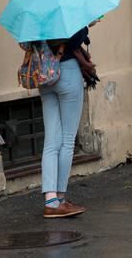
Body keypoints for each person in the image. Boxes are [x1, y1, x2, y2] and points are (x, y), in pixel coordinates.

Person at [40, 18, 100, 218]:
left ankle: (51, 200)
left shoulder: (38, 12)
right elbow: (72, 41)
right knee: (66, 140)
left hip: (45, 74)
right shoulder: (66, 12)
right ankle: (60, 198)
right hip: (66, 72)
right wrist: (85, 25)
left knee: (51, 141)